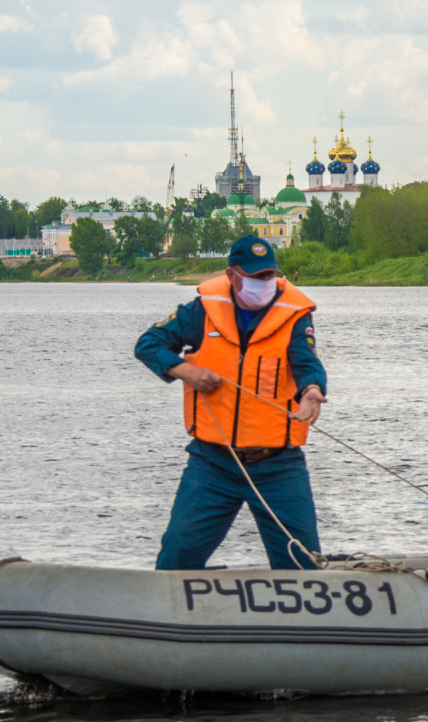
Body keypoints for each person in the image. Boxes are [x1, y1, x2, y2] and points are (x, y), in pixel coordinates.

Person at [135, 236, 328, 570]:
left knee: (302, 565)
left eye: (269, 275)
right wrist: (187, 372)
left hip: (278, 464)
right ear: (232, 275)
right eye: (255, 277)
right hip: (213, 463)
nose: (264, 283)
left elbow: (307, 363)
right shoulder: (203, 311)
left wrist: (312, 391)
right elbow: (149, 344)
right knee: (176, 559)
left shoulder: (294, 315)